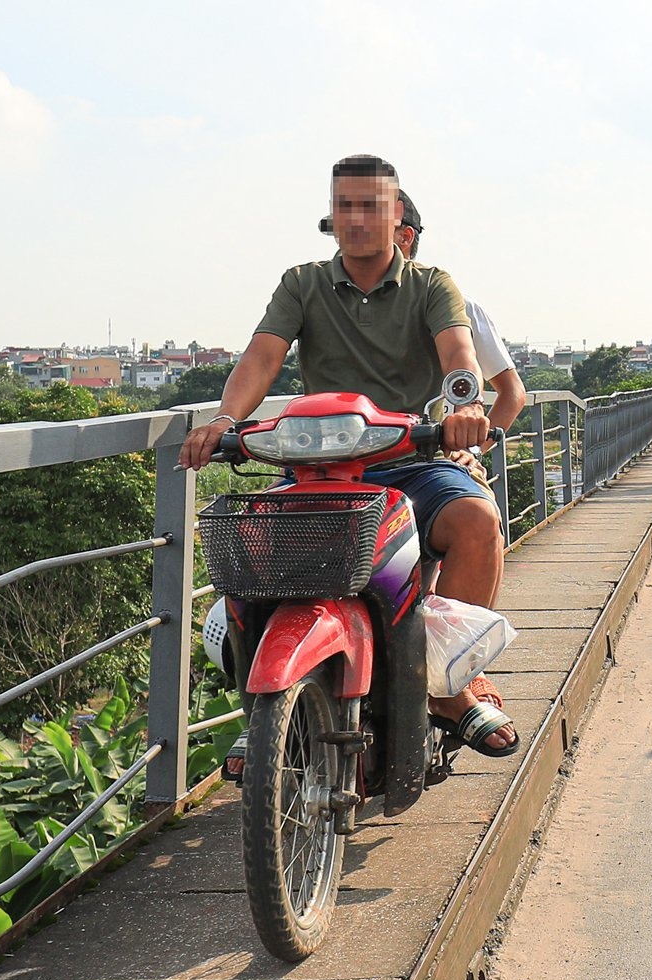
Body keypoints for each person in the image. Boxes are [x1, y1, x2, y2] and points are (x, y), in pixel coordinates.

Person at [181, 154, 516, 756]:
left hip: (408, 458)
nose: (357, 219)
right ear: (331, 219)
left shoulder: (430, 285)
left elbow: (458, 353)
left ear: (397, 219)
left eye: (371, 206)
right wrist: (226, 420)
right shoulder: (302, 283)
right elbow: (263, 356)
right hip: (318, 467)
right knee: (250, 555)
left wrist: (464, 405)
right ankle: (267, 711)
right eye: (344, 207)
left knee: (476, 520)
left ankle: (449, 680)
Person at [390, 190, 526, 450]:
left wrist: (472, 452)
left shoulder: (460, 307)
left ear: (405, 237)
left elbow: (513, 393)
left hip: (439, 460)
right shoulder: (343, 305)